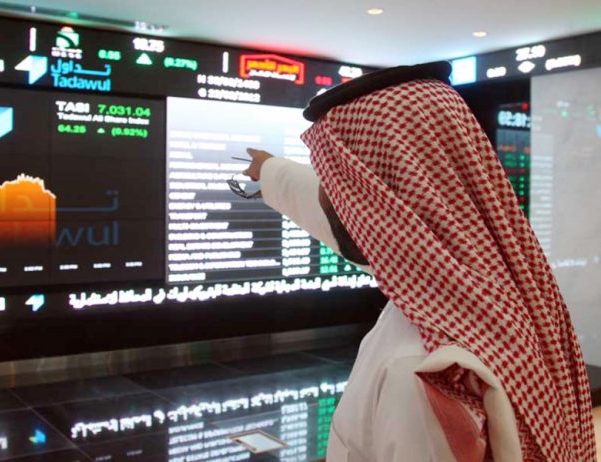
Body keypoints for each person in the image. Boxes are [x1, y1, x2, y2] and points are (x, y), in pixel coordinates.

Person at [241, 62, 595, 461]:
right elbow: (352, 223)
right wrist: (271, 171)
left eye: (337, 181)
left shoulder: (418, 371)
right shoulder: (495, 287)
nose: (330, 194)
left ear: (378, 199)